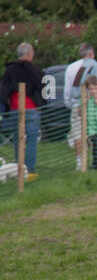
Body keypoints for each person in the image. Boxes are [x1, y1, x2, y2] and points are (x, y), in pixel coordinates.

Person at [0, 42, 43, 178]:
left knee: (18, 140)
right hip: (31, 109)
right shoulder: (36, 71)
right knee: (31, 140)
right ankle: (29, 170)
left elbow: (3, 92)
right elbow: (45, 90)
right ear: (30, 54)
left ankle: (18, 170)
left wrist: (5, 106)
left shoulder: (9, 70)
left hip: (15, 109)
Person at [64, 43, 97, 113]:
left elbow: (67, 91)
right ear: (92, 53)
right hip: (93, 109)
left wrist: (72, 106)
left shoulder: (71, 67)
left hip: (76, 107)